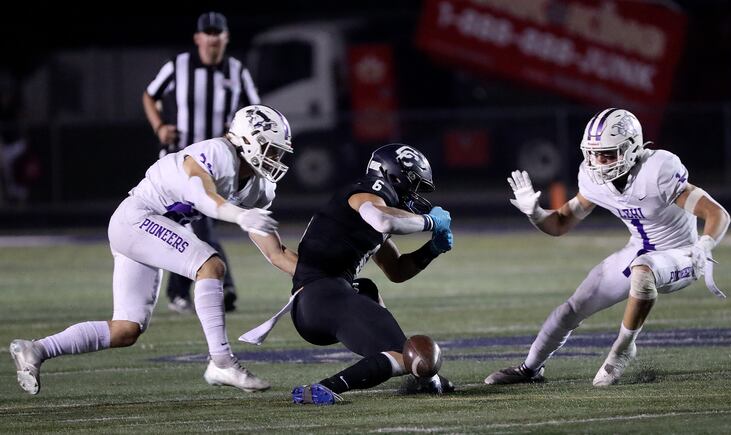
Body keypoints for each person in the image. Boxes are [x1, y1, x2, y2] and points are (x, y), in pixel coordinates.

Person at [9, 104, 297, 395]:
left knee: (126, 329)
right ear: (247, 140)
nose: (275, 159)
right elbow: (202, 195)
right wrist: (239, 215)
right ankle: (222, 361)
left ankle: (35, 350)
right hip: (137, 218)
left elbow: (276, 253)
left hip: (147, 230)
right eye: (271, 150)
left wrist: (315, 275)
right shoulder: (217, 153)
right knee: (210, 265)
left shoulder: (258, 187)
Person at [485, 108, 731, 387]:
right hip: (639, 249)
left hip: (684, 254)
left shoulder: (657, 171)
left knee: (643, 270)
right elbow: (560, 223)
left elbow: (717, 213)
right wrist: (536, 213)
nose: (599, 162)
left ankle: (623, 348)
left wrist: (705, 244)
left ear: (632, 148)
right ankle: (530, 369)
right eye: (593, 154)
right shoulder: (592, 179)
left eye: (608, 154)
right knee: (571, 309)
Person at [285, 143, 454, 405]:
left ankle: (422, 377)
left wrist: (431, 250)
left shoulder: (371, 206)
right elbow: (383, 220)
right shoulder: (370, 190)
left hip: (320, 300)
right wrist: (429, 222)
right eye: (414, 185)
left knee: (367, 289)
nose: (415, 195)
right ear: (394, 177)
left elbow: (396, 270)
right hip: (322, 296)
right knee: (403, 354)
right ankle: (324, 388)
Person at [143, 11, 260, 313]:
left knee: (193, 225)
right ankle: (223, 286)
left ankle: (181, 291)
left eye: (217, 33)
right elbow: (149, 95)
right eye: (207, 33)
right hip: (182, 163)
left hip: (218, 165)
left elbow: (255, 111)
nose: (212, 38)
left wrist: (238, 132)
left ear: (226, 37)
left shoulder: (237, 70)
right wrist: (160, 127)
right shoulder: (178, 65)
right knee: (197, 225)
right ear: (197, 38)